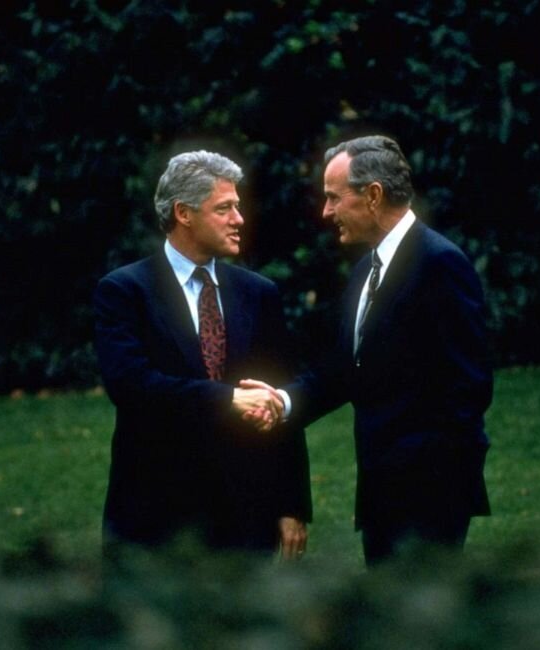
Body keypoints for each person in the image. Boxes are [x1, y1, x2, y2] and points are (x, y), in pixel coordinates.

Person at [242, 135, 493, 565]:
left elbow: (469, 388)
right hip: (381, 497)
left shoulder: (440, 264)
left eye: (334, 198)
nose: (326, 212)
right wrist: (282, 402)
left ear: (373, 195)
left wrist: (426, 485)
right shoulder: (365, 270)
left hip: (428, 501)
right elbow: (345, 368)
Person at [94, 150, 311, 560]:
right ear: (183, 213)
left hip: (246, 519)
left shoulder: (259, 293)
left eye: (238, 206)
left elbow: (279, 399)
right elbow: (131, 386)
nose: (239, 219)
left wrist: (291, 505)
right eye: (224, 208)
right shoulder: (125, 291)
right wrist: (228, 399)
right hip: (155, 519)